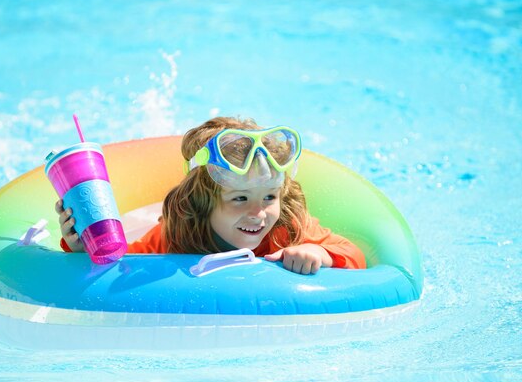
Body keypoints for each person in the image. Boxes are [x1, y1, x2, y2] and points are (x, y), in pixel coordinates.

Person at [55, 116, 366, 275]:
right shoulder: (175, 234)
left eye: (269, 197)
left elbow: (353, 254)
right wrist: (80, 249)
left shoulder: (288, 227)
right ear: (204, 202)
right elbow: (122, 267)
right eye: (240, 199)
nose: (258, 213)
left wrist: (319, 253)